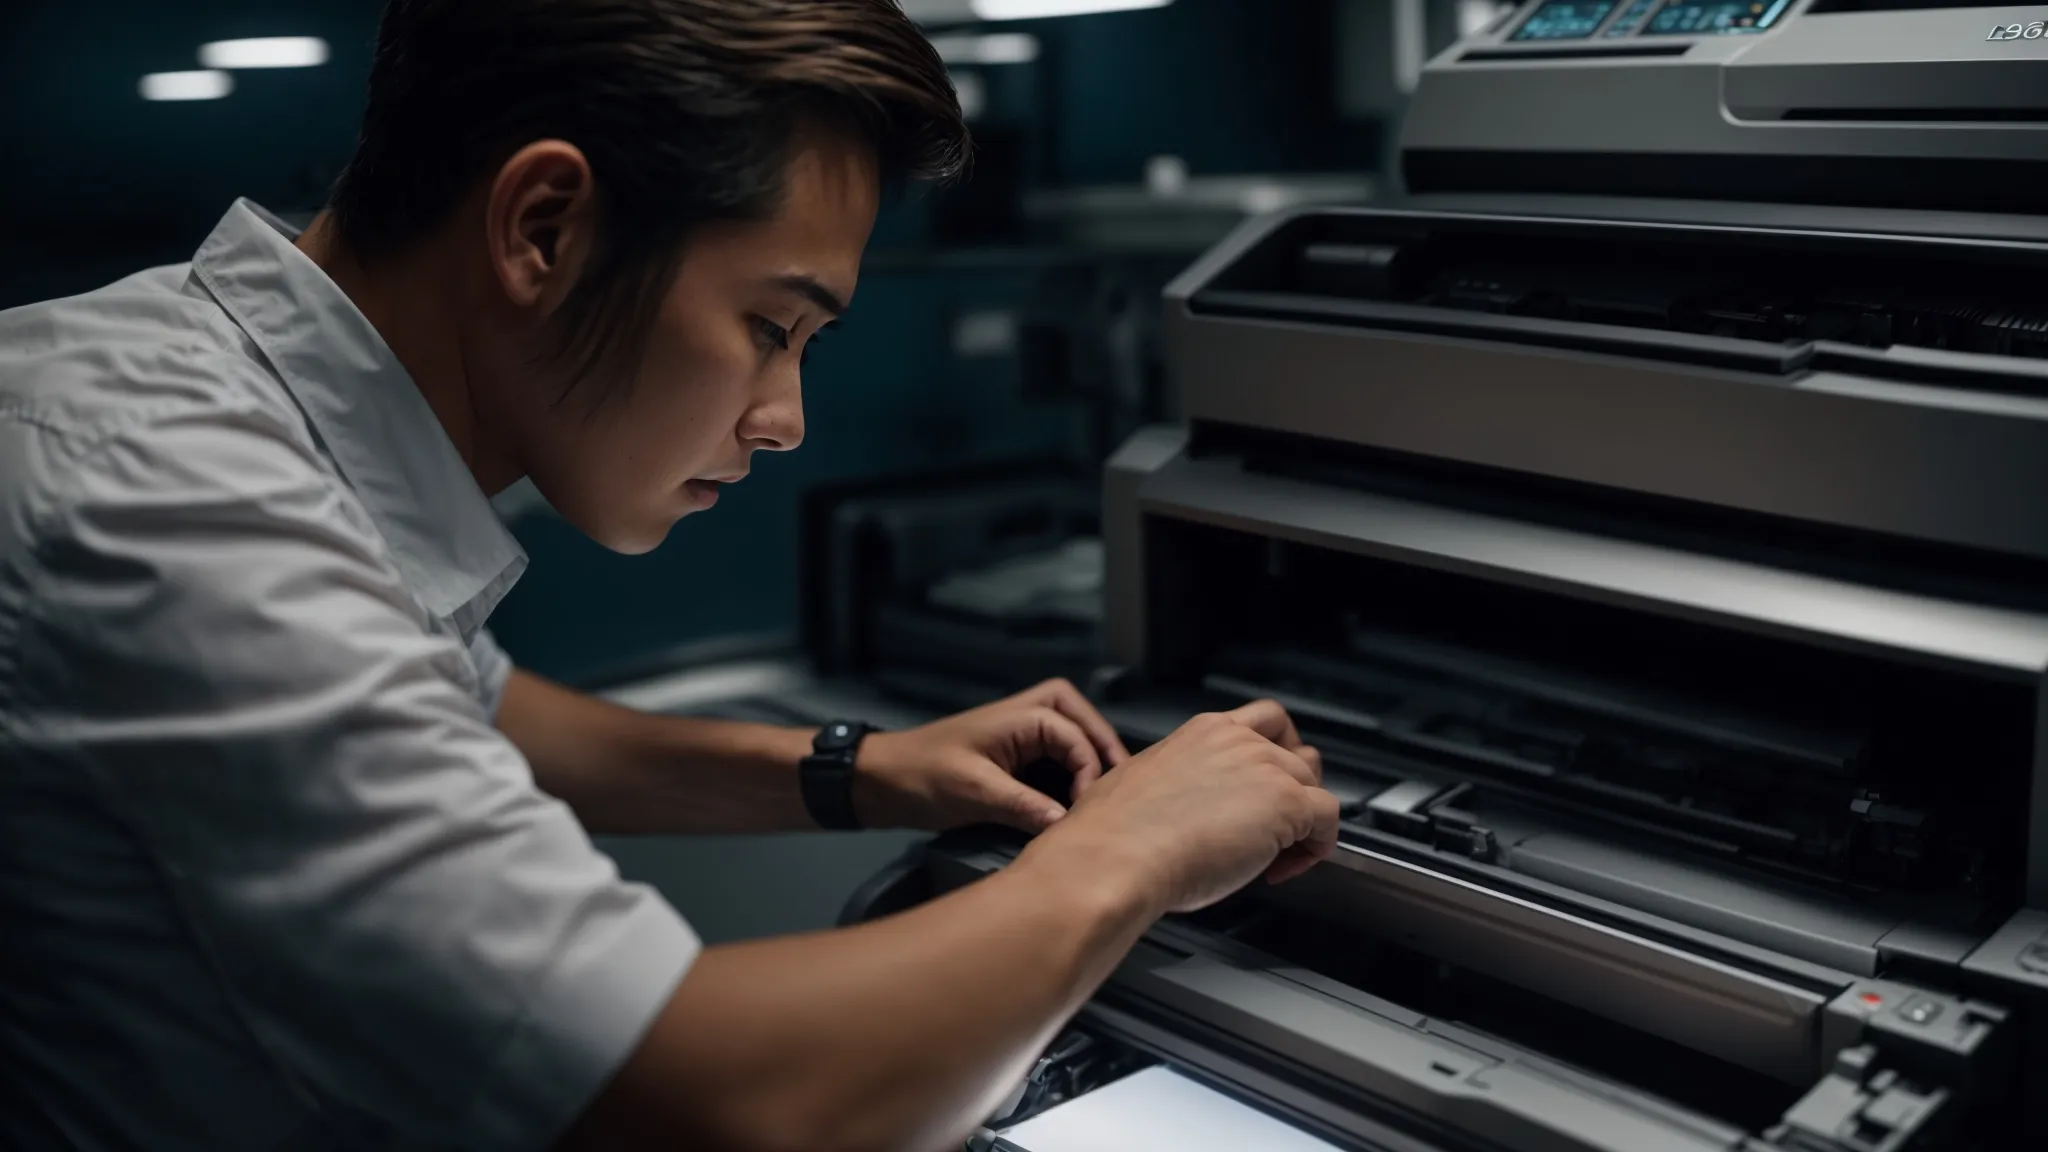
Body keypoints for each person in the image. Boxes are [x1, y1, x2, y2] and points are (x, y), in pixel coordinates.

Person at [0, 2, 1340, 1149]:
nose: (783, 419)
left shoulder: (204, 386)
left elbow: (467, 707)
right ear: (542, 227)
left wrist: (856, 769)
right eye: (772, 327)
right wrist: (1133, 852)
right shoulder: (172, 503)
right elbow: (720, 1114)